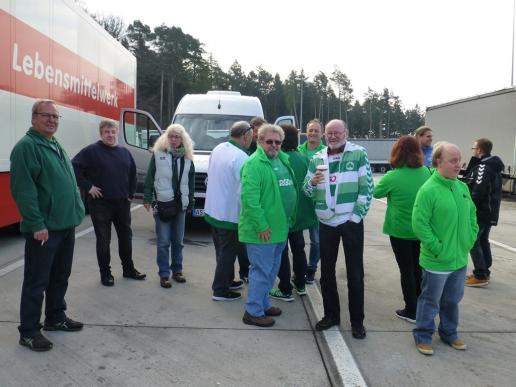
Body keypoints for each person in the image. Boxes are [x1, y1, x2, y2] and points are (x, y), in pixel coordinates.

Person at [10, 99, 85, 352]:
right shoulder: (27, 147)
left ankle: (56, 317)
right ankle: (29, 332)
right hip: (44, 229)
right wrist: (36, 223)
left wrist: (77, 210)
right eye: (46, 116)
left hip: (65, 225)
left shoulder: (53, 143)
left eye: (55, 117)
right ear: (34, 118)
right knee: (36, 281)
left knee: (59, 276)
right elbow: (24, 191)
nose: (52, 120)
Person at [303, 119, 373, 339]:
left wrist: (356, 217)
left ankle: (357, 321)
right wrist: (312, 182)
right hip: (326, 222)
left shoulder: (358, 153)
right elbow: (306, 191)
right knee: (327, 274)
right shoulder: (317, 158)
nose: (332, 136)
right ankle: (331, 315)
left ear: (346, 133)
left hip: (349, 222)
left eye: (336, 132)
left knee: (355, 274)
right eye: (329, 133)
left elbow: (367, 187)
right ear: (324, 135)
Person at [412, 143, 478, 356]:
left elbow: (472, 217)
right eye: (453, 160)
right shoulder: (428, 190)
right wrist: (436, 247)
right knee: (430, 300)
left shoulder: (462, 188)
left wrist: (469, 238)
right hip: (437, 260)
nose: (458, 165)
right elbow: (419, 224)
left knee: (452, 300)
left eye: (459, 160)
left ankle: (449, 332)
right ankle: (423, 335)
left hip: (459, 258)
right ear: (438, 161)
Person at [72, 120, 146, 286]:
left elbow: (133, 175)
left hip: (122, 204)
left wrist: (131, 194)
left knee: (126, 238)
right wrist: (88, 186)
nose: (110, 135)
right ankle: (105, 274)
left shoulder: (125, 152)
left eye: (113, 132)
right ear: (101, 133)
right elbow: (73, 167)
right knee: (104, 240)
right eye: (106, 132)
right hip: (100, 205)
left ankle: (128, 269)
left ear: (117, 133)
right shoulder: (91, 151)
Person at [239, 124, 297, 327]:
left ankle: (263, 303)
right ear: (259, 141)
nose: (274, 145)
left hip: (280, 228)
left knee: (271, 270)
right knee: (261, 271)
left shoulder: (281, 159)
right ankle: (252, 311)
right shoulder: (254, 164)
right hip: (262, 231)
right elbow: (250, 200)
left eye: (278, 142)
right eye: (269, 141)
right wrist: (262, 225)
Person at [373, 136, 431, 323]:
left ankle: (411, 310)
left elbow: (375, 193)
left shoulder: (393, 176)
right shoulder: (426, 172)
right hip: (421, 230)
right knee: (418, 268)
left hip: (399, 230)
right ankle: (422, 306)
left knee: (406, 270)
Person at [205, 121, 253, 301]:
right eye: (251, 136)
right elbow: (244, 190)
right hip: (229, 214)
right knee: (228, 253)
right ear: (245, 135)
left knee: (221, 250)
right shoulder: (241, 157)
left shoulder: (219, 148)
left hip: (214, 210)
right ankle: (220, 290)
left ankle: (227, 280)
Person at [269, 124, 317, 302]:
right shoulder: (303, 158)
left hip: (283, 214)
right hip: (300, 214)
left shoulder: (279, 160)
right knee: (299, 248)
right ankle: (301, 283)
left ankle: (285, 289)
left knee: (281, 251)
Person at [143, 124, 195, 288]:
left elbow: (191, 183)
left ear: (182, 139)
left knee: (178, 241)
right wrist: (147, 198)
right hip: (163, 203)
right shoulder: (158, 155)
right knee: (164, 241)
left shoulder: (188, 159)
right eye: (170, 136)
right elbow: (150, 178)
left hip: (180, 205)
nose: (173, 140)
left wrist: (191, 201)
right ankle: (164, 274)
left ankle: (177, 271)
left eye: (176, 137)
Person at [463, 138, 504, 287]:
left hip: (481, 211)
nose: (473, 151)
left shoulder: (483, 167)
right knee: (483, 240)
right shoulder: (493, 166)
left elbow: (478, 191)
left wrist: (469, 208)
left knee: (473, 241)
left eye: (474, 148)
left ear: (479, 150)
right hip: (490, 211)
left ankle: (480, 275)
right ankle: (484, 271)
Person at [297, 118, 326, 284]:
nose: (313, 133)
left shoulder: (326, 152)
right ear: (306, 132)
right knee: (298, 240)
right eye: (310, 130)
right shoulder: (298, 151)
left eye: (316, 130)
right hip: (301, 202)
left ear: (321, 133)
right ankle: (299, 268)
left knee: (317, 241)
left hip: (318, 203)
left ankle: (311, 268)